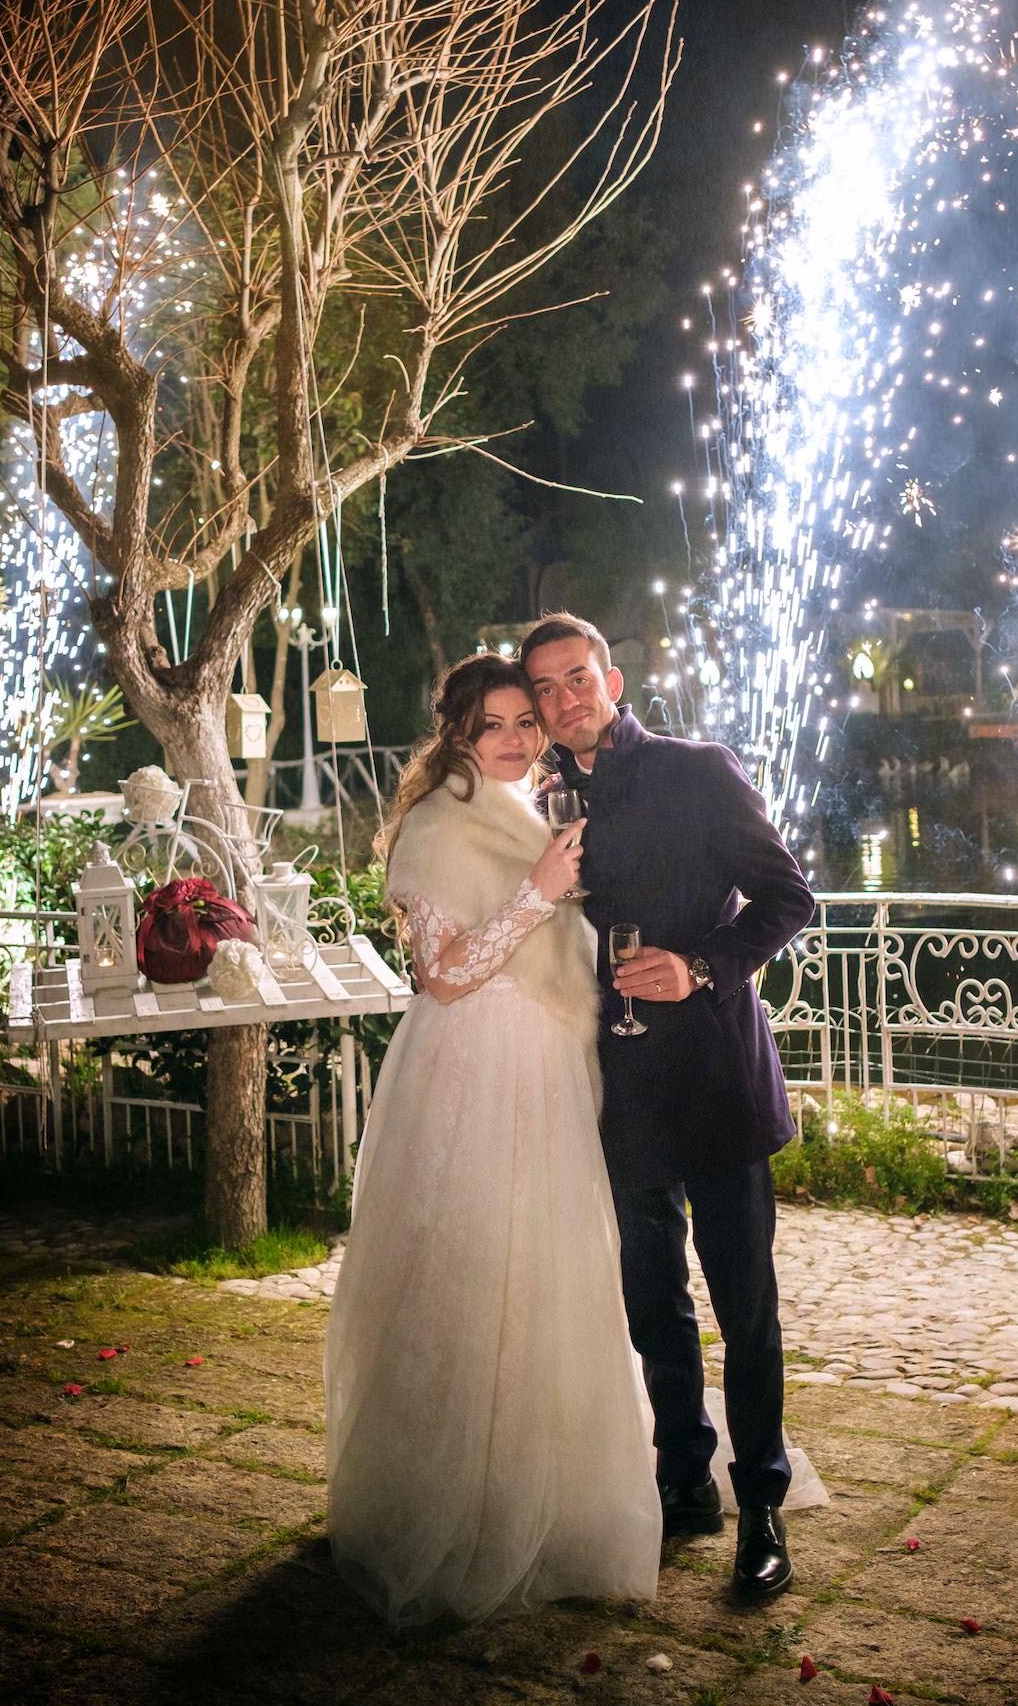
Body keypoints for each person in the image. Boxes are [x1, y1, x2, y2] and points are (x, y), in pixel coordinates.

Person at [324, 654, 660, 1626]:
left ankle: (548, 1492)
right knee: (466, 1271)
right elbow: (442, 970)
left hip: (544, 1068)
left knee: (545, 1277)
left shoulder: (526, 809)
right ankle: (451, 1501)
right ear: (458, 736)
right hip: (472, 1070)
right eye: (493, 723)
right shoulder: (436, 826)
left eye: (526, 719)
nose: (516, 736)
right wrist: (539, 890)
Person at [520, 613, 815, 1601]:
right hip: (621, 1085)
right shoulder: (548, 796)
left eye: (577, 678)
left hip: (718, 1077)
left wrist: (700, 965)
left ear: (612, 676)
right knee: (653, 1301)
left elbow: (788, 899)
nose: (565, 699)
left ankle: (761, 1503)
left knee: (746, 1304)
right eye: (546, 688)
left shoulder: (699, 768)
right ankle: (682, 1479)